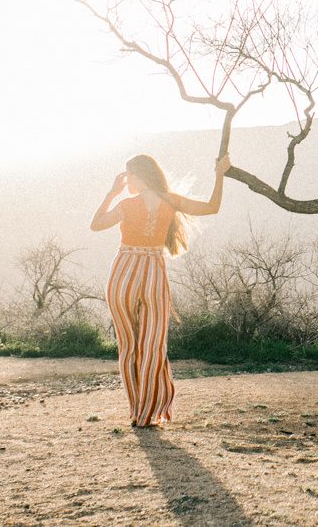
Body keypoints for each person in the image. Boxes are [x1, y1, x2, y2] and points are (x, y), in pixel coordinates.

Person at [91, 152, 230, 427]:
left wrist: (111, 193)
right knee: (152, 344)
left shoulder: (127, 204)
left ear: (140, 175)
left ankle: (139, 411)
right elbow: (213, 206)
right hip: (152, 269)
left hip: (125, 270)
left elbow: (96, 225)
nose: (125, 179)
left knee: (130, 345)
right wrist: (220, 174)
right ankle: (143, 414)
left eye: (128, 174)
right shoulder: (169, 201)